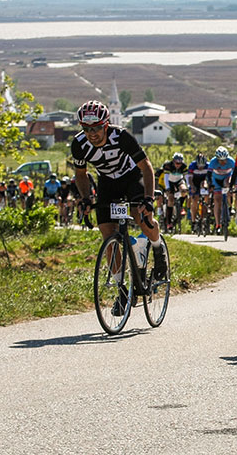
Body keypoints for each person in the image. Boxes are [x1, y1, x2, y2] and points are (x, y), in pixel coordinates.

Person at [71, 100, 166, 316]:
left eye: (96, 128)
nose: (92, 133)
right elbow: (81, 174)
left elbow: (147, 167)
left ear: (106, 125)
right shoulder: (79, 144)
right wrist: (85, 198)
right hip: (107, 183)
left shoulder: (121, 137)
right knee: (108, 235)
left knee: (142, 217)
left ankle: (157, 248)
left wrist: (149, 199)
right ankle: (122, 291)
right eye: (86, 129)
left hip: (132, 177)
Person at [207, 147, 235, 232]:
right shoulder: (213, 162)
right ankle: (217, 224)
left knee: (229, 186)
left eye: (224, 160)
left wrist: (233, 184)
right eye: (220, 160)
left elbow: (235, 173)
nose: (223, 162)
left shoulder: (231, 161)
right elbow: (208, 174)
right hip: (216, 180)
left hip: (227, 178)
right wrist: (210, 184)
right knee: (217, 201)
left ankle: (231, 206)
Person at [160, 152, 188, 231]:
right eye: (176, 163)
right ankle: (169, 222)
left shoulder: (184, 166)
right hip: (170, 182)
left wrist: (189, 186)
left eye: (180, 163)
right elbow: (166, 178)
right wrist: (168, 188)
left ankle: (181, 206)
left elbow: (186, 177)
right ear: (173, 161)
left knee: (184, 190)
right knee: (171, 199)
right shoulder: (168, 165)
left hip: (179, 181)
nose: (178, 165)